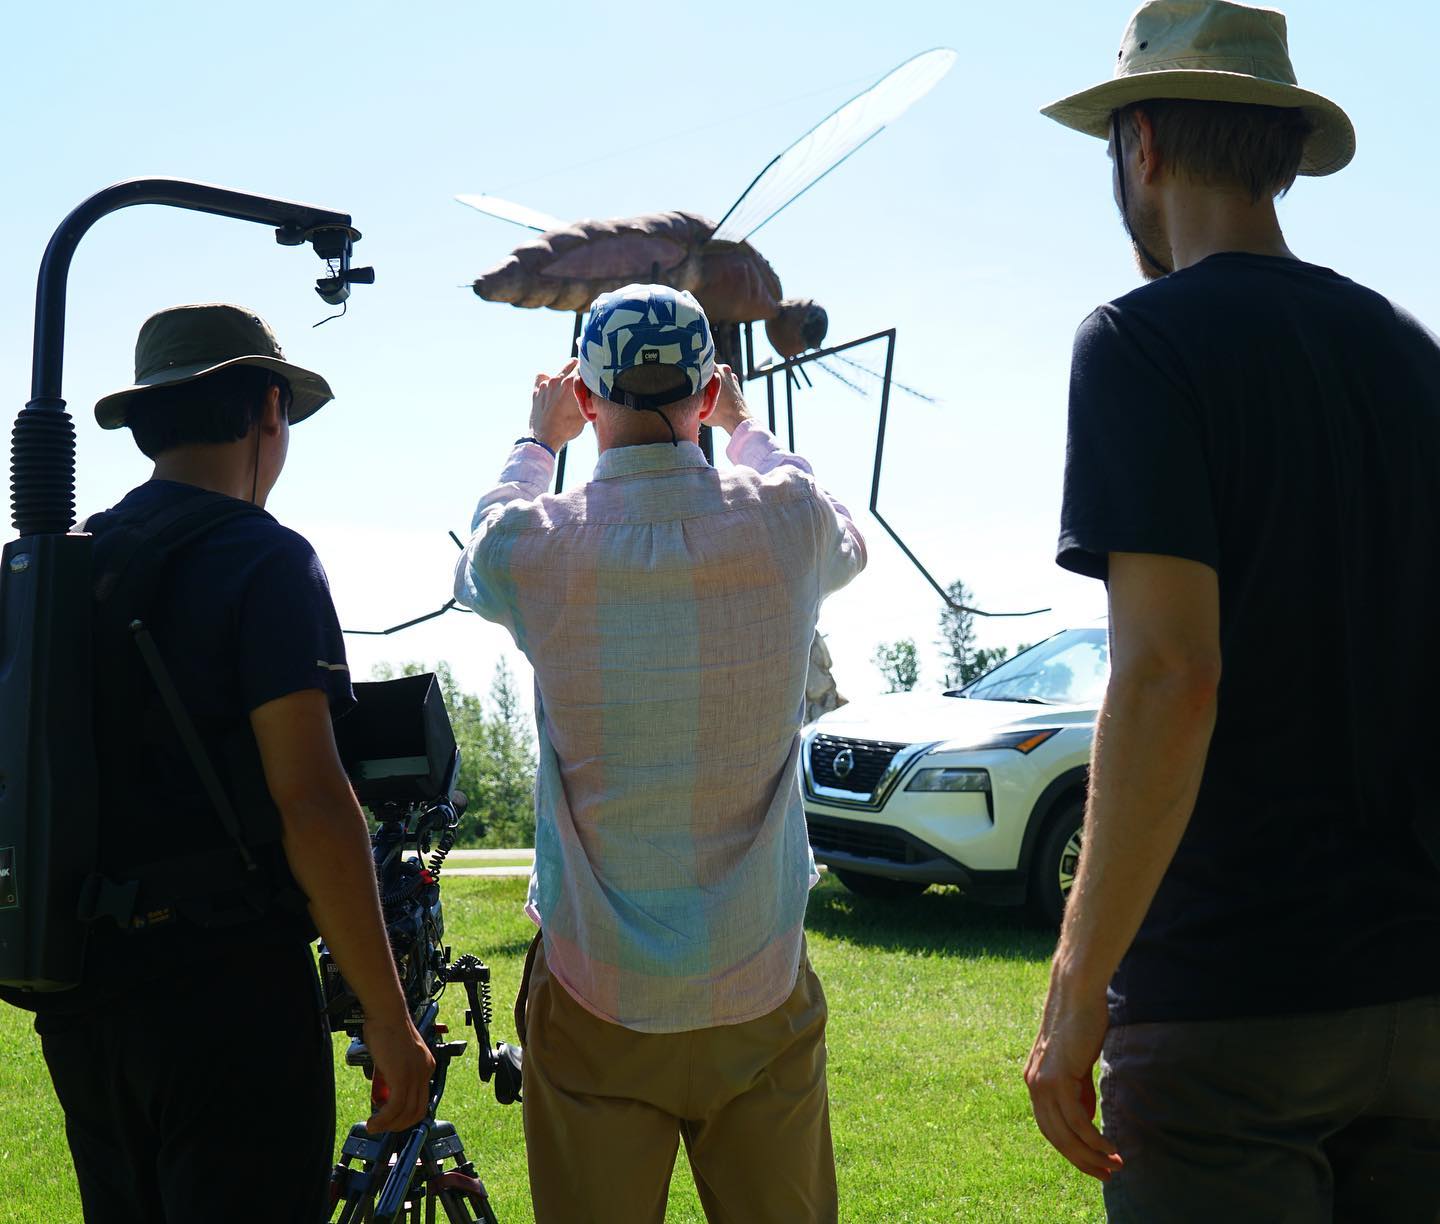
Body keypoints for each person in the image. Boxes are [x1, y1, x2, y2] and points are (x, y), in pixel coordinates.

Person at [1024, 2, 1440, 1220]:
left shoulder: (1137, 344)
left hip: (1226, 1011)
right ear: (1284, 153)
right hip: (1420, 998)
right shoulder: (1414, 357)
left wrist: (1075, 989)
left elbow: (1171, 676)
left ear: (1142, 144)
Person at [453, 283, 865, 1223]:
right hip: (759, 981)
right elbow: (843, 529)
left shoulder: (534, 544)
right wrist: (749, 431)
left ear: (584, 396)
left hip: (594, 988)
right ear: (708, 392)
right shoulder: (789, 520)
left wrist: (536, 443)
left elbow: (480, 549)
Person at [15, 303, 434, 1224]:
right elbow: (311, 800)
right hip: (228, 996)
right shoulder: (264, 559)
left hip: (86, 995)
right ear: (269, 408)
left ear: (147, 421)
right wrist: (387, 1015)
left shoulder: (69, 564)